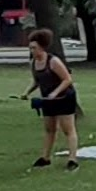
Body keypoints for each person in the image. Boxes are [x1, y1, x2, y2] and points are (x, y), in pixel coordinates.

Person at [27, 28, 81, 168]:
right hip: (47, 100)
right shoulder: (33, 63)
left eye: (34, 48)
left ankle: (72, 160)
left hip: (64, 97)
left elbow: (67, 80)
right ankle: (45, 158)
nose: (32, 50)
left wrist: (55, 93)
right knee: (49, 129)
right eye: (30, 48)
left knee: (68, 129)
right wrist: (26, 93)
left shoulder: (53, 61)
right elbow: (36, 81)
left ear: (42, 47)